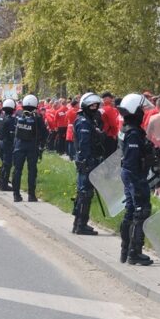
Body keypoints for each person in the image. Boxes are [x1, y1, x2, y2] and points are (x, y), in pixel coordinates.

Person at [117, 93, 155, 264]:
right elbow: (133, 159)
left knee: (131, 211)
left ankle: (125, 250)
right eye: (140, 110)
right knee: (141, 210)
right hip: (134, 174)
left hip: (129, 172)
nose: (142, 112)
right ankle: (134, 252)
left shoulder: (127, 129)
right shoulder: (133, 133)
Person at [72, 92, 105, 234]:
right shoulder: (84, 122)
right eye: (92, 106)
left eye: (96, 106)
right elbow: (84, 144)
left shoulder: (88, 120)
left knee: (84, 193)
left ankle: (79, 223)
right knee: (85, 193)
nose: (95, 108)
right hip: (87, 162)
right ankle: (80, 225)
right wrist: (87, 161)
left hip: (89, 161)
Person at [11, 94, 47, 202]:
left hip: (18, 146)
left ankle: (16, 195)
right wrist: (41, 144)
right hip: (32, 147)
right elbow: (45, 133)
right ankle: (31, 195)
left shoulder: (18, 114)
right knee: (32, 171)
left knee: (17, 170)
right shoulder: (38, 117)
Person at [0, 98, 17, 190]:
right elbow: (13, 132)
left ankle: (1, 181)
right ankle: (4, 185)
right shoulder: (11, 120)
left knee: (4, 163)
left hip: (0, 142)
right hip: (7, 143)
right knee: (7, 164)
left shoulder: (0, 117)